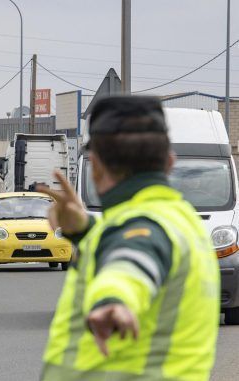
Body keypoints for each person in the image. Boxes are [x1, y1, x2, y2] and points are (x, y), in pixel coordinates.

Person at [37, 96, 219, 380]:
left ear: (95, 166)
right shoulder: (181, 221)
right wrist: (83, 231)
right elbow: (128, 246)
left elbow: (132, 259)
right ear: (170, 162)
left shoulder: (140, 226)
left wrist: (114, 299)